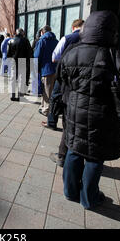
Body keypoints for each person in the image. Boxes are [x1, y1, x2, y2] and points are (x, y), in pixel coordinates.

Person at [59, 11, 120, 210]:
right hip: (103, 116)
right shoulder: (116, 54)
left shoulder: (72, 51)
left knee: (74, 150)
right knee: (94, 157)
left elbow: (62, 79)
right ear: (112, 32)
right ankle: (89, 199)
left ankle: (70, 191)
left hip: (75, 111)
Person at [46, 19, 84, 167]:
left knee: (60, 105)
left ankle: (52, 122)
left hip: (66, 80)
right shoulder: (98, 43)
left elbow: (54, 57)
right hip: (83, 89)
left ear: (73, 27)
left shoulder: (68, 38)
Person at [34, 26, 59, 116]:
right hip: (55, 69)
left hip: (46, 69)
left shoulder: (42, 41)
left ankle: (46, 110)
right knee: (48, 89)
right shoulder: (56, 41)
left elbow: (37, 56)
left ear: (42, 32)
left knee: (47, 90)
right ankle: (43, 106)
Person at [7, 28, 32, 102]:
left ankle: (12, 94)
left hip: (14, 60)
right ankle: (20, 95)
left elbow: (8, 53)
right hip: (23, 61)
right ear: (22, 33)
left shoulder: (11, 40)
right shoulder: (26, 40)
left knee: (13, 78)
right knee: (22, 79)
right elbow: (29, 52)